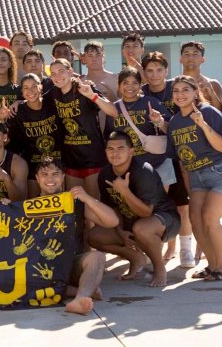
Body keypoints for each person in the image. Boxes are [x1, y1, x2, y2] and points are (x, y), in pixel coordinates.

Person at [169, 75, 222, 281]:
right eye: (176, 91)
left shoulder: (208, 112)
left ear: (195, 93)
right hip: (199, 174)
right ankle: (213, 265)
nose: (180, 94)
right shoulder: (175, 122)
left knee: (209, 218)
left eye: (185, 90)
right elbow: (182, 158)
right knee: (196, 219)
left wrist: (203, 125)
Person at [89, 132, 180, 287]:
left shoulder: (143, 171)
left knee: (142, 229)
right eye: (110, 149)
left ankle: (159, 268)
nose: (115, 153)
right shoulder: (105, 173)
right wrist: (120, 232)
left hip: (164, 219)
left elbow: (146, 212)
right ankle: (135, 258)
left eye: (120, 148)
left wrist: (125, 191)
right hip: (131, 221)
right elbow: (112, 209)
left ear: (131, 151)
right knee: (94, 236)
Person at [32, 158, 119, 315]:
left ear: (63, 177)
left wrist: (88, 199)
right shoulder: (27, 206)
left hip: (72, 263)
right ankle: (84, 288)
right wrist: (4, 206)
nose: (50, 179)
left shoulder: (75, 203)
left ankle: (80, 297)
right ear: (37, 178)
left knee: (97, 257)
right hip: (44, 270)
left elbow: (112, 221)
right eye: (44, 174)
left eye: (55, 174)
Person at [141, 52, 194, 267]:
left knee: (182, 204)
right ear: (144, 73)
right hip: (154, 157)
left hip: (179, 154)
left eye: (159, 70)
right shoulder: (141, 93)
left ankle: (186, 249)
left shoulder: (177, 89)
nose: (154, 74)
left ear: (166, 70)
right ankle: (163, 247)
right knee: (158, 205)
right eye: (150, 70)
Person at [45, 58, 117, 201]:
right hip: (70, 160)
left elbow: (113, 112)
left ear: (70, 71)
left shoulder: (84, 88)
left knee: (95, 203)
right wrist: (18, 102)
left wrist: (92, 96)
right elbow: (36, 101)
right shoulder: (53, 93)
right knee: (76, 206)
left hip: (93, 158)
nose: (57, 76)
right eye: (53, 73)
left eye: (61, 71)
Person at [0, 73, 60, 196]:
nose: (30, 91)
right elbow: (6, 139)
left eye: (34, 86)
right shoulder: (17, 112)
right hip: (33, 164)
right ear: (22, 92)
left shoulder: (52, 103)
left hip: (58, 163)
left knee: (61, 201)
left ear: (41, 87)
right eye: (26, 88)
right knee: (34, 202)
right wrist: (1, 119)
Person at [179, 41, 222, 110]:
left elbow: (220, 113)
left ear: (203, 59)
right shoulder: (172, 84)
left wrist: (212, 94)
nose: (190, 57)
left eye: (195, 54)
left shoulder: (213, 84)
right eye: (186, 54)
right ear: (180, 59)